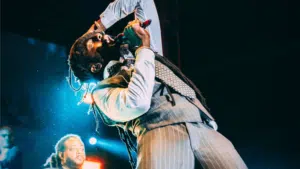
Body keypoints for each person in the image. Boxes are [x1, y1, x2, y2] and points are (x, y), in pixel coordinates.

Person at [68, 0, 248, 168]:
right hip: (160, 134)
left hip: (200, 124)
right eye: (95, 42)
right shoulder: (103, 91)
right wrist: (144, 49)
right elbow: (136, 102)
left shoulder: (141, 54)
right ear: (95, 66)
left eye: (100, 35)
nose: (104, 36)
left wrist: (97, 27)